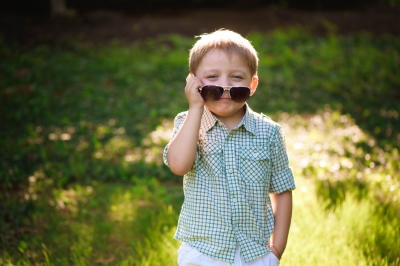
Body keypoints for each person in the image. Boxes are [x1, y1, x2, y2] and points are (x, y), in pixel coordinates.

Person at [163, 29, 296, 266]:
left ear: (252, 84)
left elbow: (282, 190)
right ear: (193, 81)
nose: (224, 86)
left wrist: (277, 248)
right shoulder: (187, 123)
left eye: (236, 77)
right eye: (212, 77)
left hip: (255, 253)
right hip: (202, 251)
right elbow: (178, 165)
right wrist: (195, 108)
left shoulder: (269, 132)